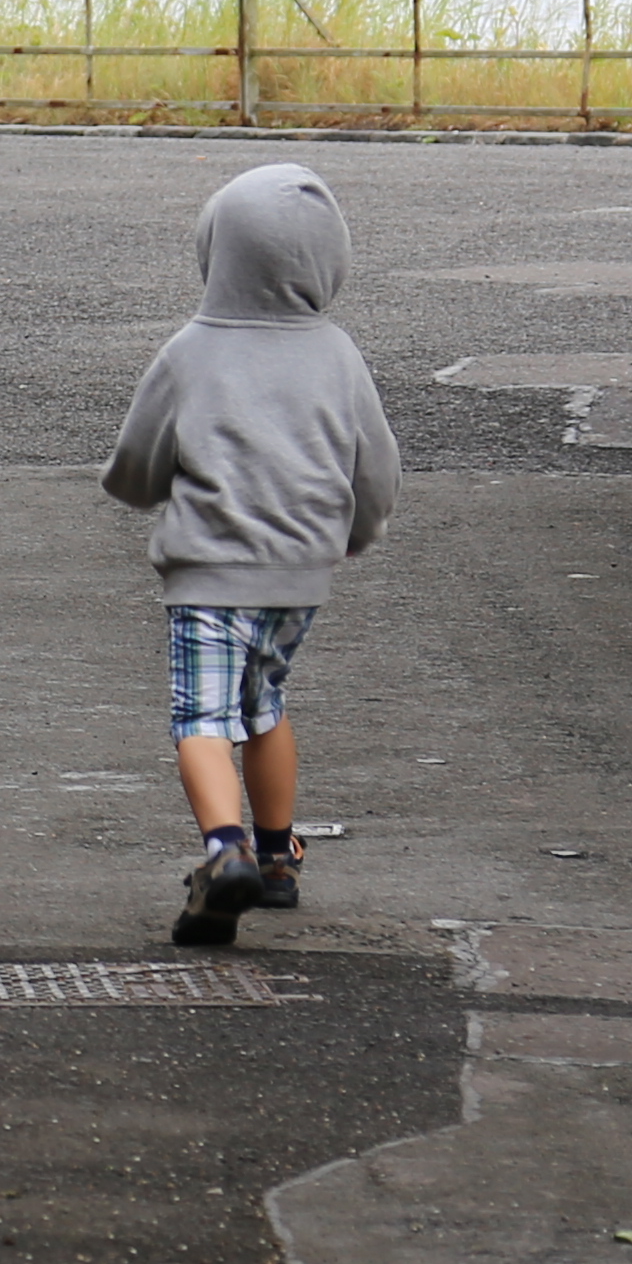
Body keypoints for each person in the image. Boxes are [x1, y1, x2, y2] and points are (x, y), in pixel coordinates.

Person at [100, 161, 399, 944]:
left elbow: (138, 463)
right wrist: (356, 533)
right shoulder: (338, 354)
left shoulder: (191, 352)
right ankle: (276, 858)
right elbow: (376, 468)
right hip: (301, 577)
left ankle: (223, 852)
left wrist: (134, 489)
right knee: (264, 706)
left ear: (216, 253)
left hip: (209, 571)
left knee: (200, 716)